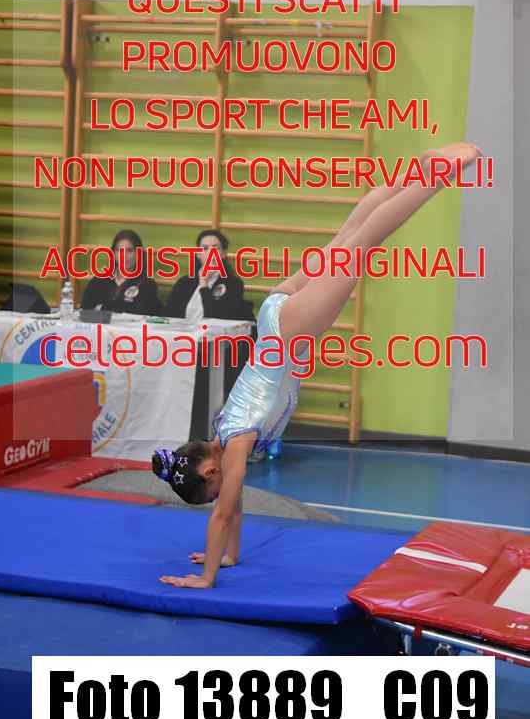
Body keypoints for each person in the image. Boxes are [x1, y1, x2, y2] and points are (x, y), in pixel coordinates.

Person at [152, 142, 482, 589]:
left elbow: (225, 513)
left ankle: (438, 174)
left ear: (210, 472)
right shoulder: (226, 437)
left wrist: (205, 578)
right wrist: (229, 556)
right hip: (276, 312)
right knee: (347, 236)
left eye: (212, 492)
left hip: (289, 332)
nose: (220, 497)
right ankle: (417, 169)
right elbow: (234, 506)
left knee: (361, 243)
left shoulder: (235, 444)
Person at [164, 229, 255, 323]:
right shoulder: (184, 283)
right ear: (198, 254)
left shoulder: (233, 283)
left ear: (224, 253)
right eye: (205, 248)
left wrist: (204, 285)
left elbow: (217, 318)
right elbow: (169, 316)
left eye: (215, 248)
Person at [80, 229, 163, 317]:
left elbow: (143, 315)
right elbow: (84, 313)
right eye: (119, 250)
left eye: (129, 250)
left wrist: (103, 308)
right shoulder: (98, 281)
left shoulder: (147, 284)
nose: (124, 255)